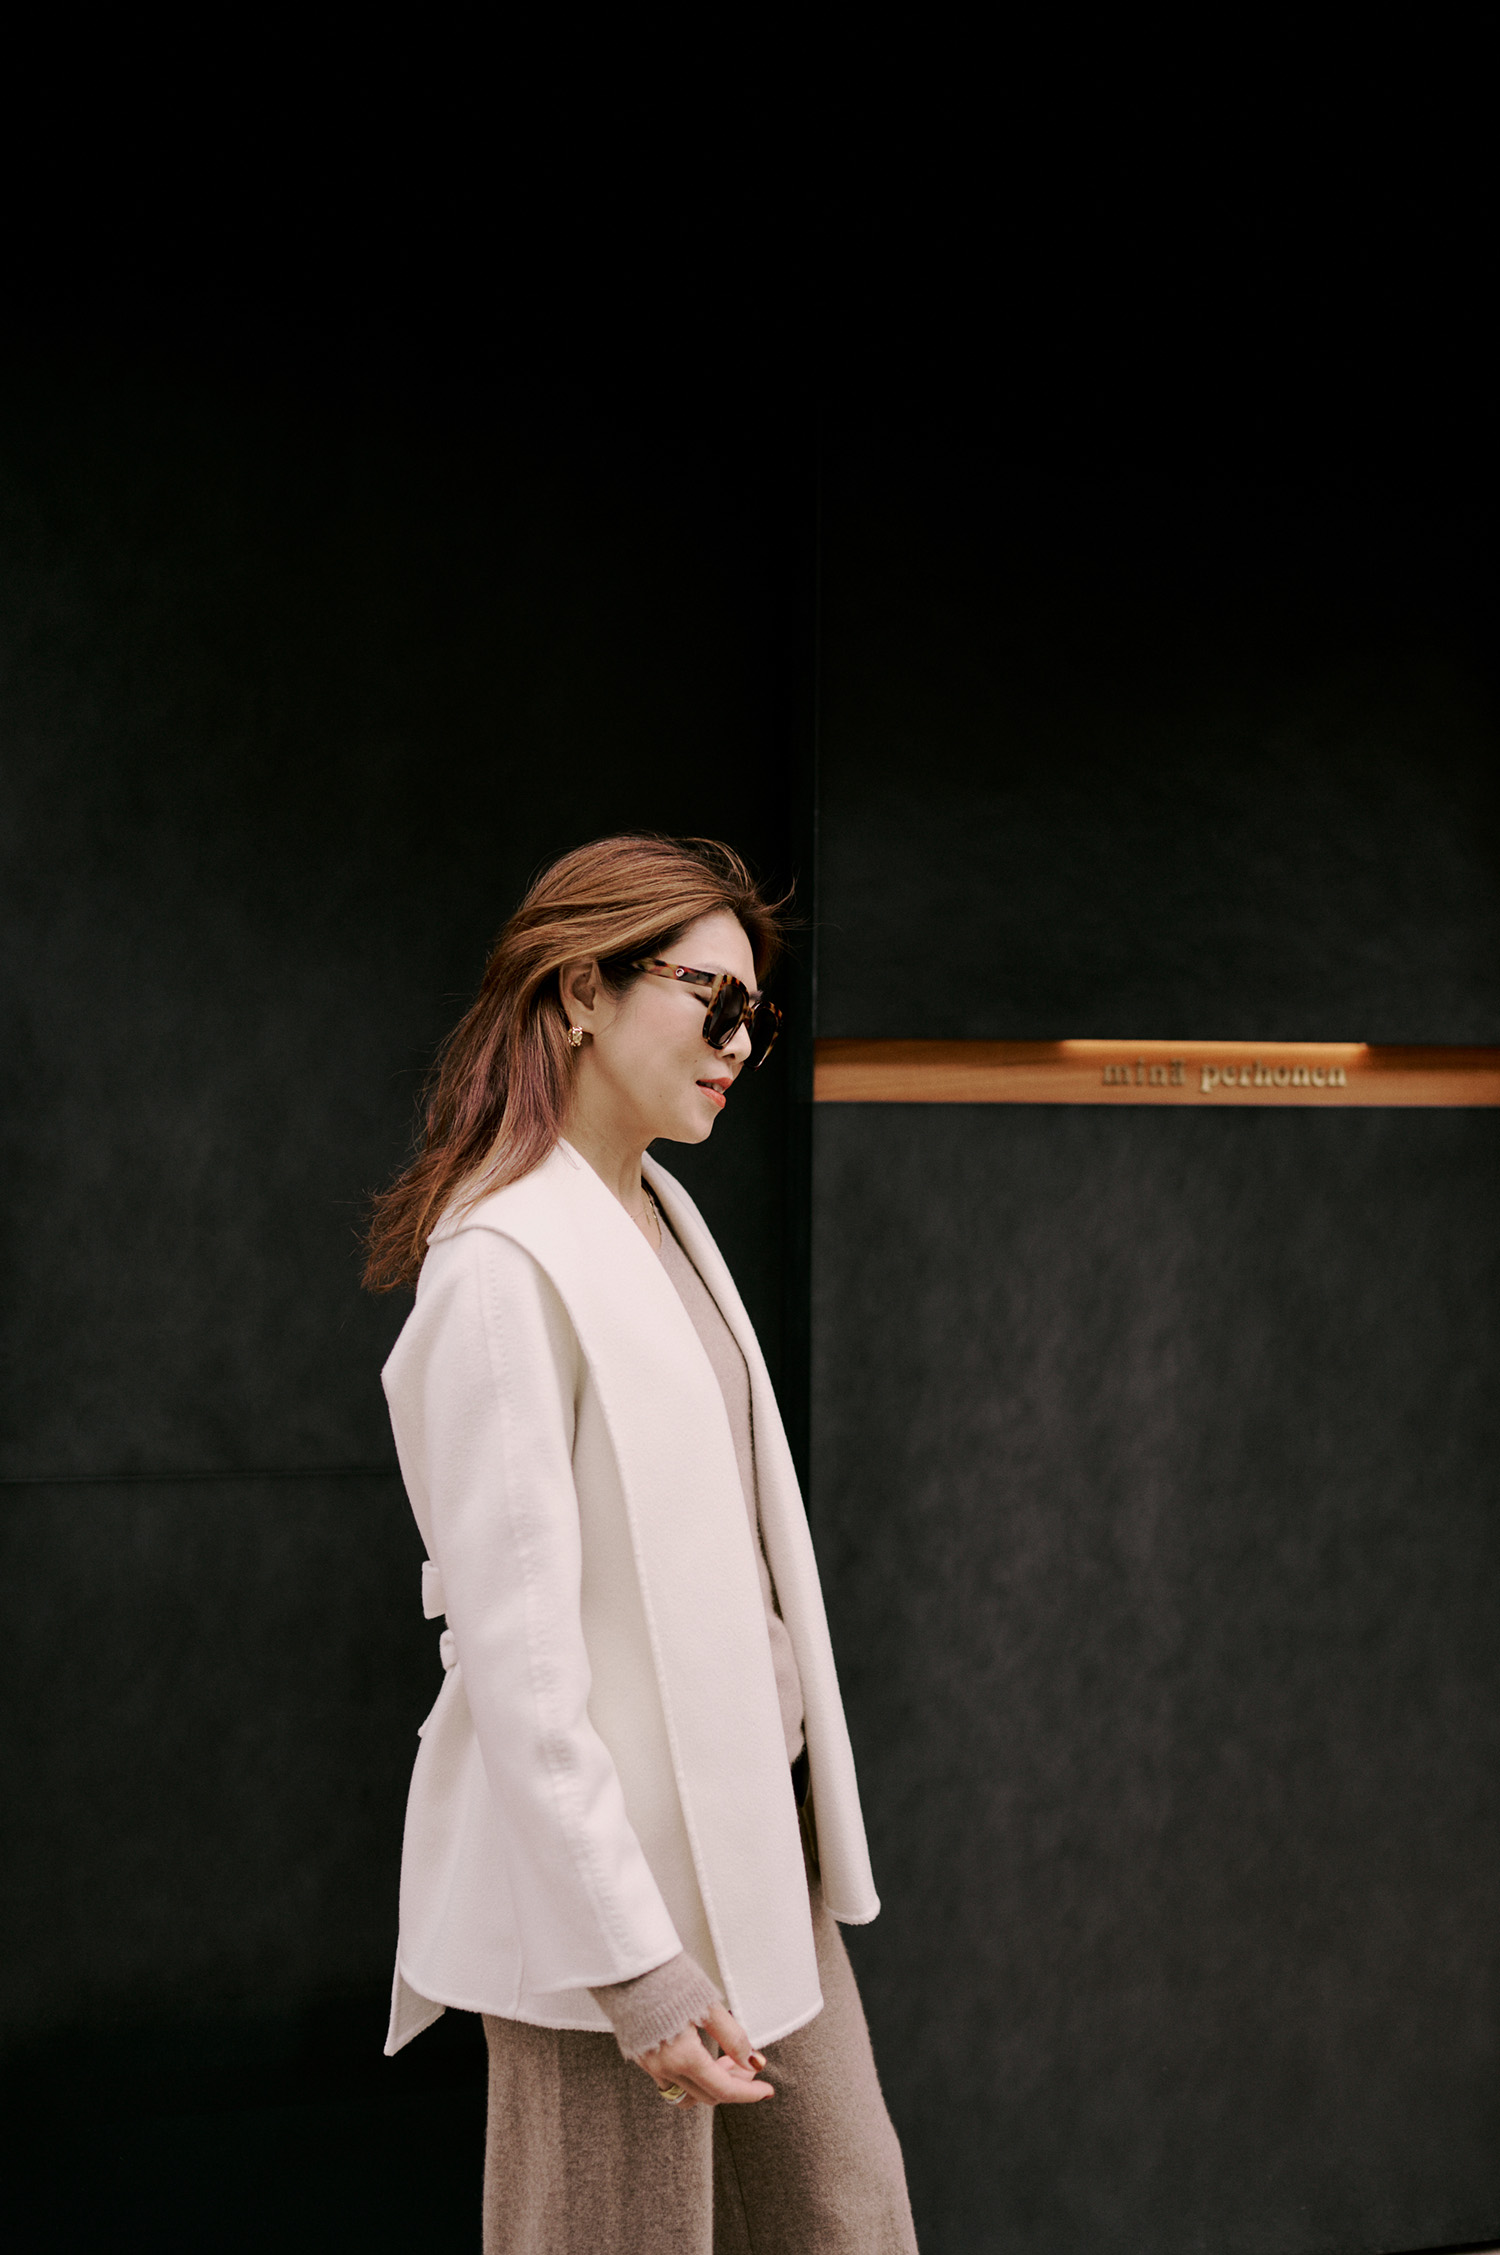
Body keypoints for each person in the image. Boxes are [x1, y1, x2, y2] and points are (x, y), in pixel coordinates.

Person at [364, 833, 917, 2253]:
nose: (739, 1045)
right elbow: (522, 1669)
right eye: (710, 1000)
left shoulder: (661, 1216)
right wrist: (639, 1973)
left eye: (757, 1018)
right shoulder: (500, 1264)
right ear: (579, 993)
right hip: (608, 1915)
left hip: (753, 1860)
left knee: (846, 2218)